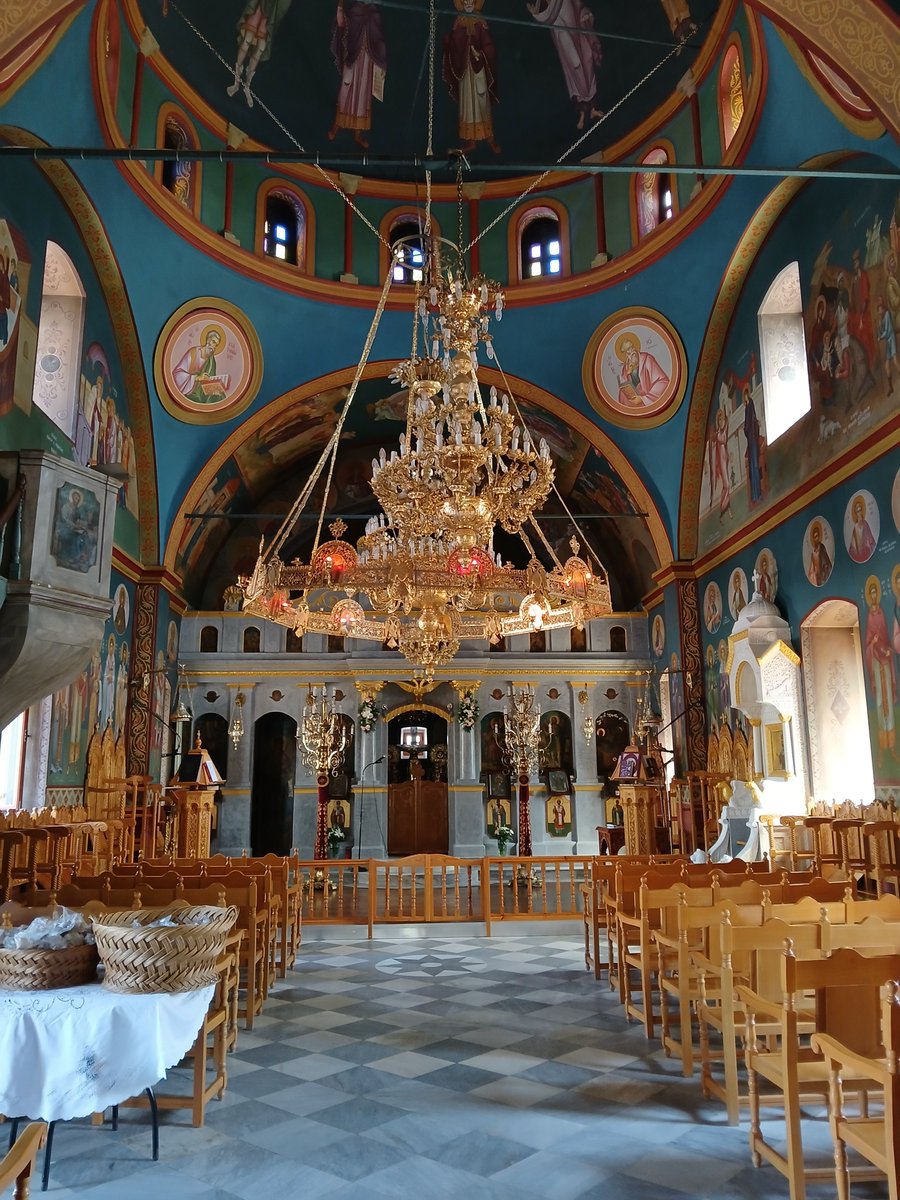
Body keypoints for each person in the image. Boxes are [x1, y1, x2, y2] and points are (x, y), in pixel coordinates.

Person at [526, 0, 602, 131]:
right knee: (575, 65)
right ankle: (582, 113)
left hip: (577, 31)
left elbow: (579, 6)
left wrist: (585, 15)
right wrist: (536, 14)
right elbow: (548, 16)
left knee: (588, 58)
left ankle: (593, 108)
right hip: (562, 32)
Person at [443, 0, 500, 155]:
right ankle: (471, 141)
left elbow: (489, 45)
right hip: (465, 71)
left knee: (482, 102)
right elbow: (455, 44)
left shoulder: (480, 21)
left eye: (471, 1)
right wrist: (450, 42)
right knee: (468, 105)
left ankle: (489, 136)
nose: (468, 4)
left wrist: (480, 53)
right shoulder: (459, 21)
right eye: (465, 1)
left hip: (479, 68)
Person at [328, 1, 387, 149]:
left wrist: (379, 51)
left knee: (363, 96)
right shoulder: (354, 11)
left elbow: (378, 39)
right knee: (345, 90)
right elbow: (342, 25)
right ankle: (337, 125)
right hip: (352, 59)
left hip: (367, 61)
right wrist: (340, 5)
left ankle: (357, 134)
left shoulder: (374, 13)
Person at [226, 0, 294, 107]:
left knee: (260, 49)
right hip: (260, 7)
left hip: (270, 12)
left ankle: (247, 86)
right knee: (247, 40)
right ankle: (236, 82)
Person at [863, 575, 896, 768]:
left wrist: (886, 648)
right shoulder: (869, 616)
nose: (874, 597)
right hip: (876, 663)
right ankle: (882, 749)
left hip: (885, 662)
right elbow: (868, 643)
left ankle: (892, 746)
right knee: (879, 704)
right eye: (872, 593)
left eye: (876, 593)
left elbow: (886, 637)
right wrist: (873, 644)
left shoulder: (882, 613)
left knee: (888, 705)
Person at [172, 326, 231, 405]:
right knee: (212, 398)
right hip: (192, 390)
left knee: (220, 395)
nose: (213, 346)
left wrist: (216, 387)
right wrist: (197, 378)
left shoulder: (211, 360)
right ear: (208, 339)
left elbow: (211, 378)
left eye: (216, 345)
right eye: (213, 342)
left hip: (204, 389)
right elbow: (178, 373)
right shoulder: (193, 353)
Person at [614, 332, 669, 408]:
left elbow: (663, 381)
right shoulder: (626, 368)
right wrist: (627, 374)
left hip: (647, 400)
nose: (629, 352)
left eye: (630, 348)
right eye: (626, 352)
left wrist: (643, 399)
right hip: (634, 403)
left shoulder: (647, 359)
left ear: (635, 347)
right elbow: (624, 390)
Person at [742, 386, 763, 505]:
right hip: (750, 439)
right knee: (752, 467)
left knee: (755, 466)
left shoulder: (751, 405)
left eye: (746, 396)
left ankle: (758, 494)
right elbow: (747, 425)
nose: (745, 399)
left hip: (753, 437)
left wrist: (752, 427)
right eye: (744, 397)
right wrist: (747, 429)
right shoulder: (746, 409)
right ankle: (755, 495)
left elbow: (752, 420)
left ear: (748, 395)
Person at [709, 407, 732, 521]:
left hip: (725, 459)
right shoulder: (718, 434)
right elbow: (721, 440)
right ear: (718, 422)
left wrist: (726, 421)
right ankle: (723, 507)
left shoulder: (722, 432)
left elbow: (725, 430)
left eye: (721, 419)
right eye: (720, 420)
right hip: (722, 462)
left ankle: (726, 507)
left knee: (726, 485)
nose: (721, 421)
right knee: (727, 485)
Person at [876, 294, 899, 396]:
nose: (879, 312)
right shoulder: (882, 318)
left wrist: (880, 337)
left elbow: (888, 331)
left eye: (879, 310)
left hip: (891, 338)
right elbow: (881, 332)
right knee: (886, 366)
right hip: (888, 342)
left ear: (882, 308)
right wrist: (879, 326)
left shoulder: (887, 315)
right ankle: (890, 387)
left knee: (895, 361)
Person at [848, 493, 876, 563]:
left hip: (867, 554)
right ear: (855, 513)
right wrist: (856, 553)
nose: (859, 513)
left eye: (860, 510)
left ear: (862, 511)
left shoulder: (865, 525)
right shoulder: (855, 529)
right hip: (859, 556)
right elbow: (852, 548)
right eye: (857, 511)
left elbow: (872, 542)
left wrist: (868, 547)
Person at [806, 520, 832, 586]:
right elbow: (811, 569)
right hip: (817, 579)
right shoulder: (813, 553)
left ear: (819, 536)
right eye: (814, 537)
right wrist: (813, 575)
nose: (816, 538)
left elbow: (827, 562)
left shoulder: (822, 547)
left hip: (823, 575)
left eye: (817, 536)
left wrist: (824, 570)